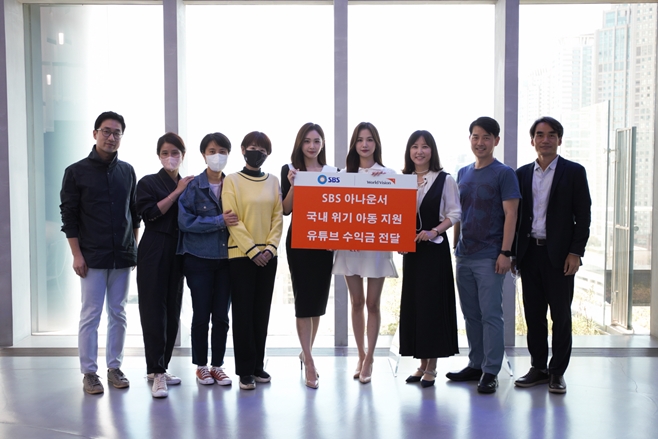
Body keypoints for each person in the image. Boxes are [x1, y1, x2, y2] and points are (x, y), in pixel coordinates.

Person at [60, 111, 139, 395]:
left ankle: (114, 367)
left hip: (122, 256)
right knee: (91, 314)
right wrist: (76, 255)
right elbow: (69, 217)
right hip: (91, 256)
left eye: (117, 133)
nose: (111, 137)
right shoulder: (75, 172)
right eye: (106, 131)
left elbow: (134, 213)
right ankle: (89, 373)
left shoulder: (127, 171)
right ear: (95, 133)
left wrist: (133, 247)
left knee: (118, 313)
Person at [513, 117, 591, 394]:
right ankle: (538, 367)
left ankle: (557, 371)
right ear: (532, 140)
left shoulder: (574, 172)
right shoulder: (521, 174)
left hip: (560, 256)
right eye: (539, 134)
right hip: (529, 254)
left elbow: (583, 216)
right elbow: (515, 217)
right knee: (533, 316)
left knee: (561, 316)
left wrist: (575, 253)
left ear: (559, 139)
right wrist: (514, 253)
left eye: (551, 135)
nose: (545, 139)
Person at [446, 116, 520, 394]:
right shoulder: (463, 173)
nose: (480, 142)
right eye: (475, 137)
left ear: (496, 141)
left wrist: (505, 252)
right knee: (471, 315)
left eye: (486, 137)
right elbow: (458, 212)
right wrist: (456, 243)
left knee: (491, 315)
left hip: (491, 256)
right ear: (470, 139)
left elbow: (511, 214)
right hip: (464, 255)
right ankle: (475, 364)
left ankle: (491, 370)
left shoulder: (504, 173)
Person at [332, 122, 398, 384]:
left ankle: (370, 358)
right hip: (349, 247)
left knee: (372, 303)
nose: (365, 144)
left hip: (376, 246)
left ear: (376, 144)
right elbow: (336, 210)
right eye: (360, 140)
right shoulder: (343, 174)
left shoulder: (388, 174)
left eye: (369, 139)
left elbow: (393, 211)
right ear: (354, 144)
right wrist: (346, 235)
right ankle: (360, 355)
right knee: (356, 302)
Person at [398, 130, 460, 388]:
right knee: (416, 306)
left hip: (434, 251)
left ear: (432, 151)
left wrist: (434, 231)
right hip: (411, 253)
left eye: (424, 146)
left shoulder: (445, 179)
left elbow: (454, 213)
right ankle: (422, 363)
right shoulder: (402, 180)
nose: (419, 151)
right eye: (414, 146)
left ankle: (432, 366)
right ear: (409, 151)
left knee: (432, 306)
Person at [222, 131, 283, 391]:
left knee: (261, 313)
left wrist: (269, 248)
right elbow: (232, 218)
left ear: (267, 154)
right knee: (243, 314)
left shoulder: (273, 181)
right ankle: (245, 371)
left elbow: (278, 217)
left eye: (262, 149)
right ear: (243, 149)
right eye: (252, 147)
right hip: (241, 256)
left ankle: (258, 365)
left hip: (269, 257)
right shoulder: (232, 181)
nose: (256, 152)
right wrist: (252, 251)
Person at [135, 132, 193, 398]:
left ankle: (162, 367)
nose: (170, 157)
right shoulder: (148, 182)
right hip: (154, 248)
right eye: (165, 153)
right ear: (159, 156)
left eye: (175, 153)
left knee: (172, 310)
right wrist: (177, 192)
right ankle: (156, 371)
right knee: (153, 311)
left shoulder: (189, 183)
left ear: (183, 155)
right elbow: (149, 214)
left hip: (178, 251)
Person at [177, 132, 237, 387]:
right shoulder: (193, 186)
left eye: (222, 151)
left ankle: (218, 365)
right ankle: (201, 366)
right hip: (198, 259)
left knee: (222, 316)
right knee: (201, 314)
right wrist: (219, 221)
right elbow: (185, 222)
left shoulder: (234, 185)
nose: (217, 156)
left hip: (227, 260)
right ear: (203, 155)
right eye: (212, 151)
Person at [281, 123, 339, 389]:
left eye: (317, 141)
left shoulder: (333, 173)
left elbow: (339, 209)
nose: (312, 146)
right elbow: (285, 209)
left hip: (325, 243)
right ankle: (310, 362)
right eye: (307, 141)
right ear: (300, 144)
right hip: (300, 242)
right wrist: (294, 185)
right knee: (304, 302)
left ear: (323, 144)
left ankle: (307, 352)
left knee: (317, 303)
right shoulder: (290, 170)